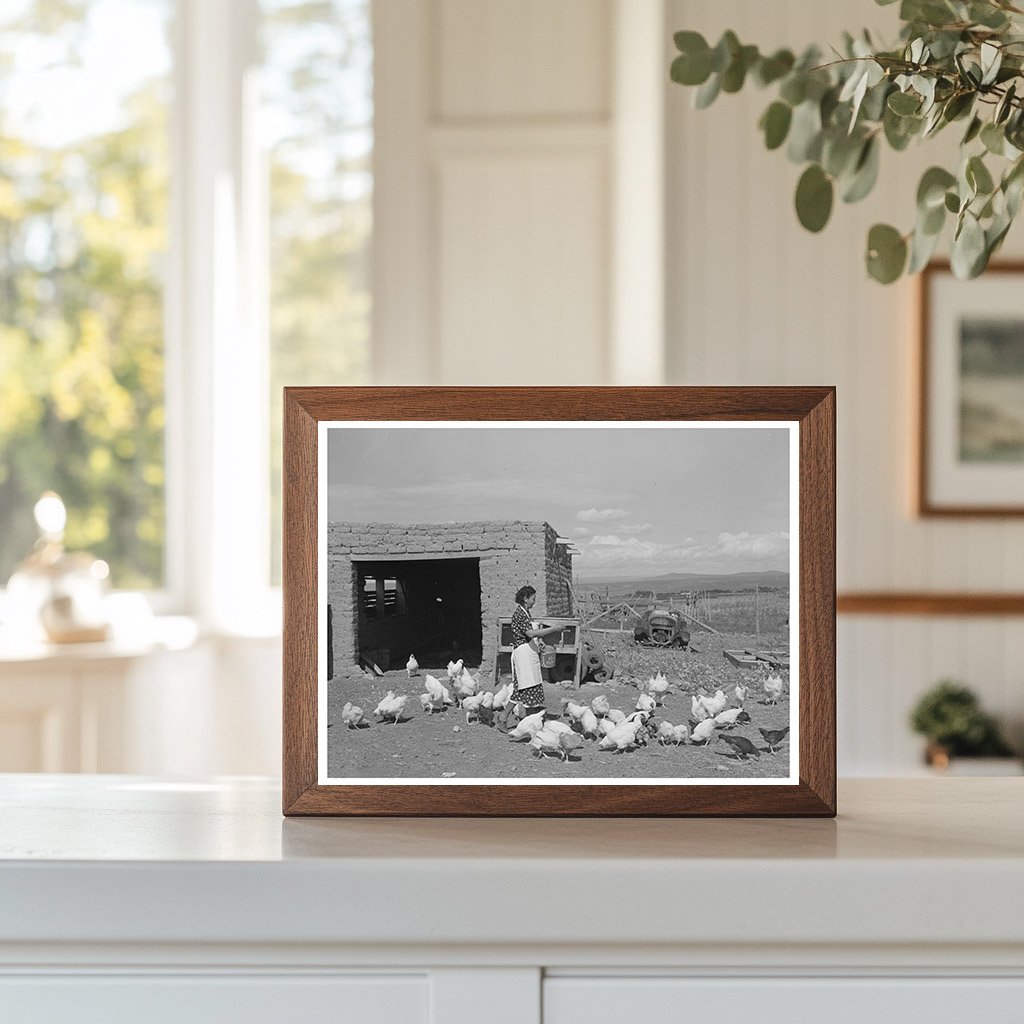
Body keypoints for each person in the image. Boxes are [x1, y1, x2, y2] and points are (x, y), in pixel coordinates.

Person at [497, 585, 563, 730]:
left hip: (529, 653)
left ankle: (530, 721)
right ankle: (503, 718)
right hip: (522, 655)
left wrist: (540, 644)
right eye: (533, 599)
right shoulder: (519, 614)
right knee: (522, 688)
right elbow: (530, 634)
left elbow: (530, 635)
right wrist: (553, 629)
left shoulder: (525, 613)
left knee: (530, 687)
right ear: (525, 599)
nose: (534, 601)